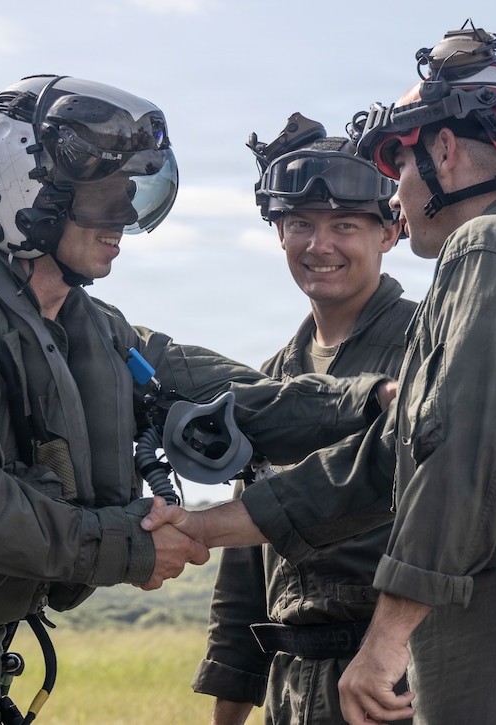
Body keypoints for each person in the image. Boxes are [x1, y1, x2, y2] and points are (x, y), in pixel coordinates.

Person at [0, 74, 393, 725]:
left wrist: (371, 401)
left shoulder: (91, 331)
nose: (125, 219)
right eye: (104, 200)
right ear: (27, 195)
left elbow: (245, 398)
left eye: (129, 196)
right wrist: (129, 545)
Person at [143, 22, 496, 724]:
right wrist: (205, 527)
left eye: (401, 168)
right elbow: (383, 462)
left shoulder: (491, 247)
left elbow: (465, 459)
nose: (399, 192)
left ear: (443, 151)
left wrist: (385, 640)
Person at [192, 113, 416, 724]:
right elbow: (243, 577)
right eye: (300, 225)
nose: (320, 246)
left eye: (344, 225)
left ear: (389, 232)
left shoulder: (429, 347)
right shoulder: (271, 380)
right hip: (292, 691)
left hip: (397, 683)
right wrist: (228, 714)